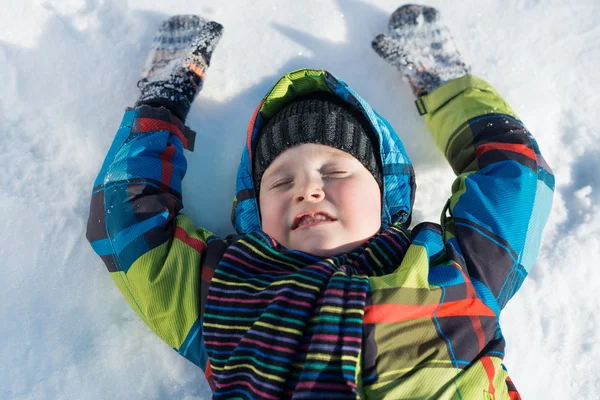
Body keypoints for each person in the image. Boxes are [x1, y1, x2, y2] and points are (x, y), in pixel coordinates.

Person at [86, 5, 554, 399]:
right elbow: (127, 223)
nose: (307, 189)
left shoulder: (456, 272)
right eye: (279, 181)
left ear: (385, 196)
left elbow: (516, 177)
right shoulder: (225, 288)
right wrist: (162, 104)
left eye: (334, 172)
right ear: (255, 215)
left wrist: (445, 85)